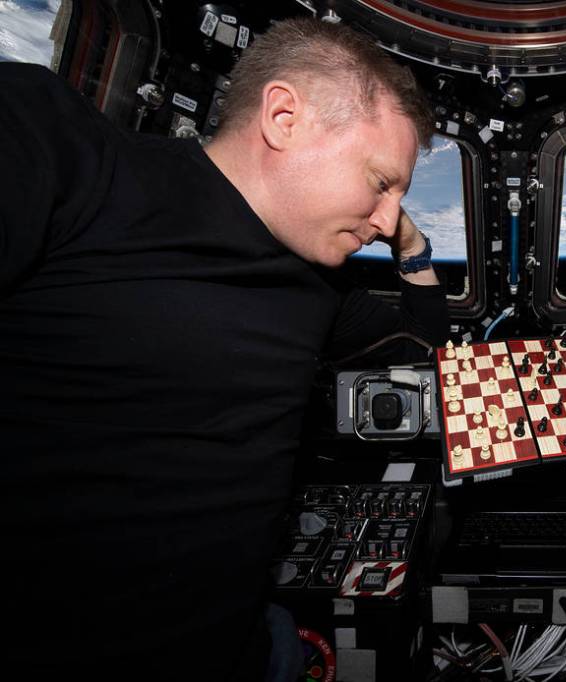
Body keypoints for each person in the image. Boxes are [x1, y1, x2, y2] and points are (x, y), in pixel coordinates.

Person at [0, 17, 448, 681]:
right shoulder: (71, 156)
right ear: (284, 117)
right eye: (382, 181)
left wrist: (412, 244)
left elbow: (422, 343)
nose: (385, 219)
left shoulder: (317, 279)